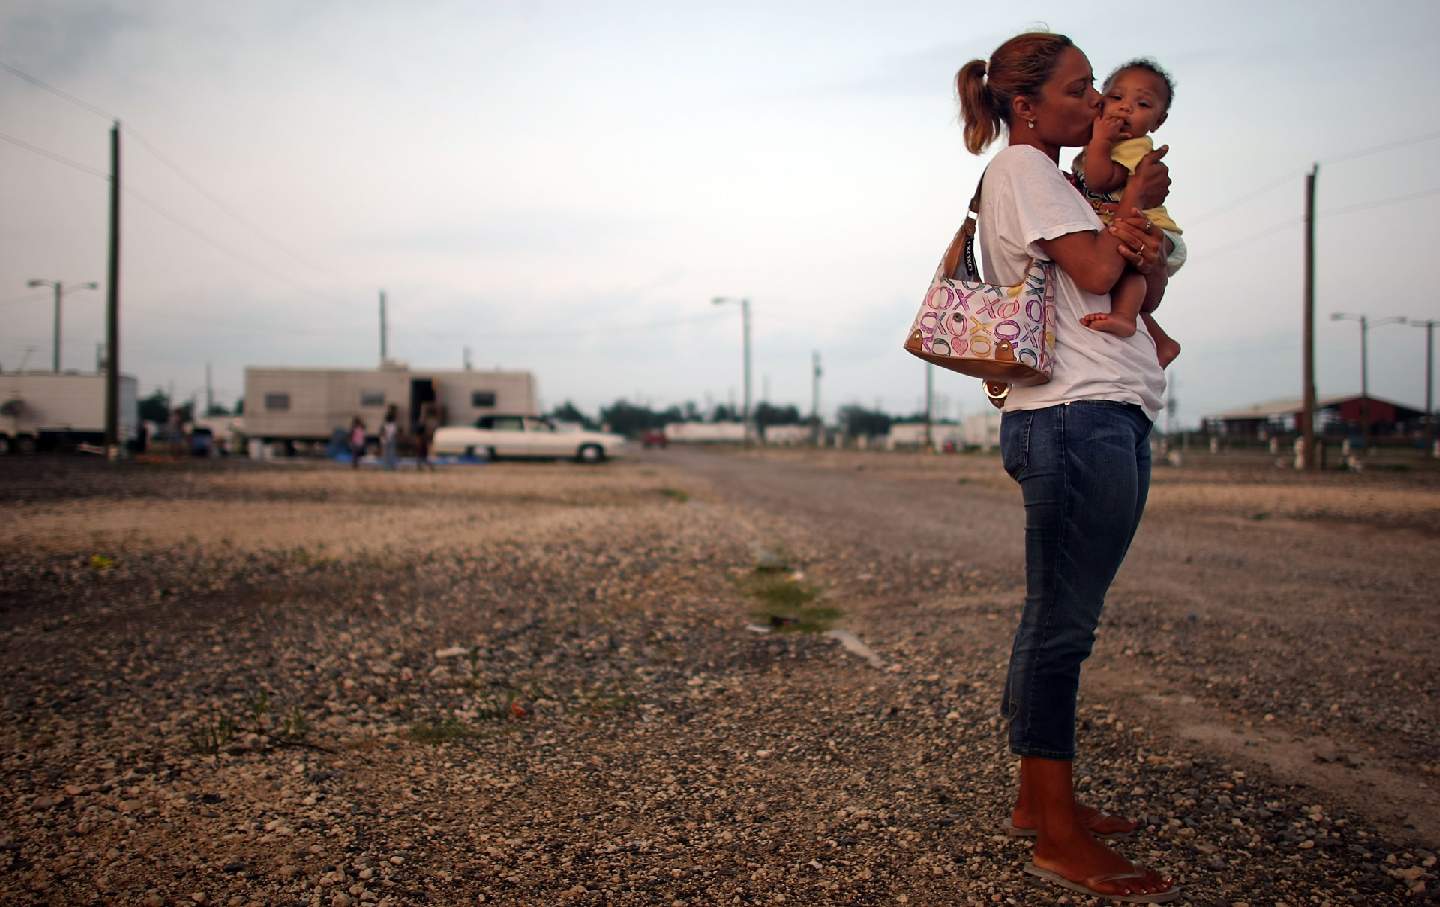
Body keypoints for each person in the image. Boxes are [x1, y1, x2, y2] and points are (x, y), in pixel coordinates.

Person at [955, 32, 1180, 902]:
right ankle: (1056, 830)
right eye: (1082, 90)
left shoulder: (1062, 177)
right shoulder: (1024, 171)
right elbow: (1094, 264)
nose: (1098, 105)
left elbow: (1134, 281)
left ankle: (1039, 803)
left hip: (1099, 408)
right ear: (1027, 106)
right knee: (1063, 627)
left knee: (1057, 615)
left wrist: (1134, 224)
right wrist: (1133, 210)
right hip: (1074, 414)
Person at [1072, 59, 1184, 367]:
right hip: (1143, 229)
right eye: (1116, 98)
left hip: (1156, 232)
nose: (1125, 108)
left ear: (1158, 121)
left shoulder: (1130, 147)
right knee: (1128, 279)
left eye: (1142, 103)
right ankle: (1162, 343)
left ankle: (1124, 318)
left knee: (1129, 270)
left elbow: (1098, 179)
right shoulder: (1109, 145)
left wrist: (1100, 142)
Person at [415, 403, 439, 471]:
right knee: (423, 455)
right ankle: (425, 466)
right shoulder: (426, 422)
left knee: (424, 455)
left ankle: (425, 466)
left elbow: (423, 432)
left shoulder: (425, 422)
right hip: (424, 440)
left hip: (424, 440)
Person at [381, 404, 400, 471]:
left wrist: (384, 439)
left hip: (386, 440)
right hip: (391, 439)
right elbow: (395, 433)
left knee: (386, 454)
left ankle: (386, 467)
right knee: (392, 453)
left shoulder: (385, 425)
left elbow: (383, 433)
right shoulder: (393, 425)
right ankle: (391, 466)